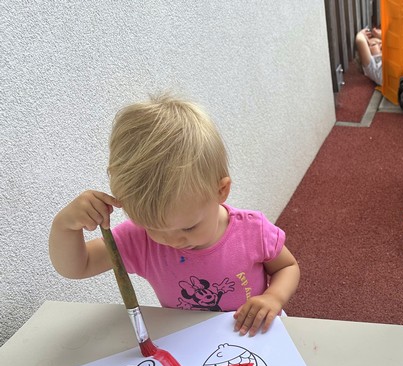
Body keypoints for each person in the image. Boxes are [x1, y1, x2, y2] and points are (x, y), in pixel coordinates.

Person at [49, 94, 300, 337]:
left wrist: (273, 297)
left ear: (221, 190)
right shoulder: (140, 240)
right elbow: (78, 266)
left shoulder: (252, 231)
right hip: (189, 346)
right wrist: (65, 226)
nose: (172, 241)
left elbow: (287, 267)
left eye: (189, 228)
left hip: (257, 335)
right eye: (152, 227)